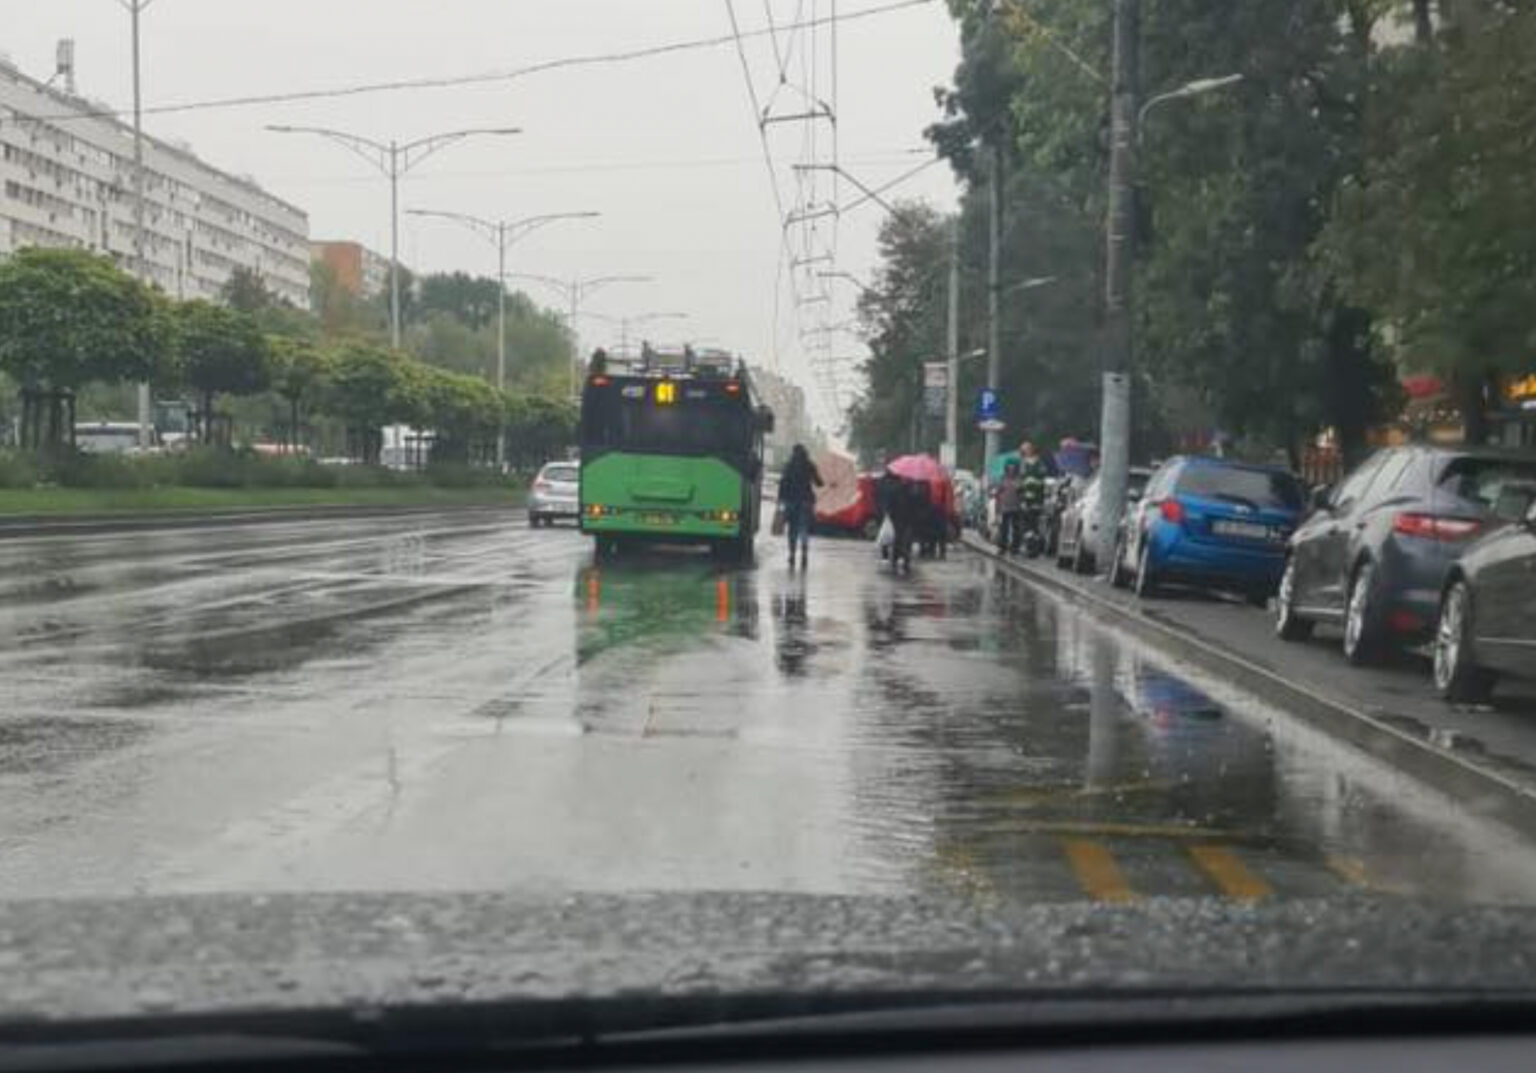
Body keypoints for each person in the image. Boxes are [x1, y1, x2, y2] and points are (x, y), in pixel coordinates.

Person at [778, 444, 823, 570]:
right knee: (804, 529)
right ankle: (804, 554)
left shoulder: (789, 465)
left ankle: (792, 554)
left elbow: (783, 483)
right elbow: (818, 482)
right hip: (806, 502)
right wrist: (824, 483)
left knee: (792, 529)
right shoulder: (810, 465)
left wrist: (781, 499)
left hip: (791, 501)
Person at [993, 460, 1025, 554]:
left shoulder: (1019, 480)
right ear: (1007, 468)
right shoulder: (1003, 479)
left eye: (1013, 467)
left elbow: (1022, 493)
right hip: (1005, 507)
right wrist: (998, 506)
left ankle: (1015, 547)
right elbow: (998, 492)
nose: (1011, 469)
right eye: (1009, 467)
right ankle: (1003, 546)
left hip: (1016, 507)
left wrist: (1021, 500)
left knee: (1016, 528)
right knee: (1004, 528)